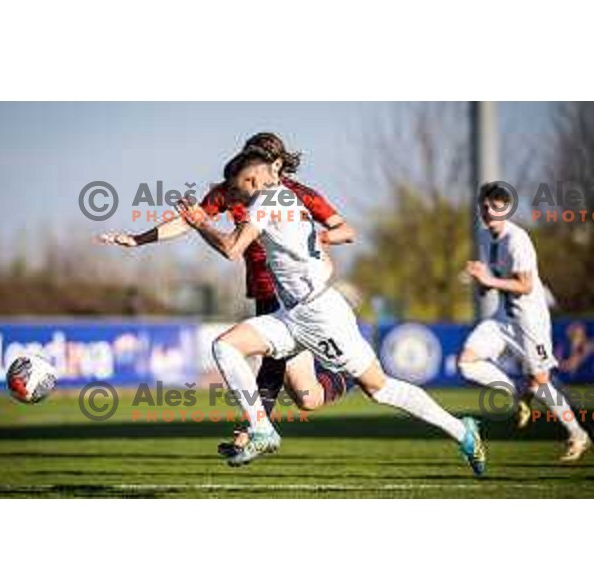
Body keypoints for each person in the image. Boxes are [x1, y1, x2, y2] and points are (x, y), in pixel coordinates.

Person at [176, 145, 487, 475]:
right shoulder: (282, 197)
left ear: (254, 178)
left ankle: (462, 431)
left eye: (241, 187)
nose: (239, 197)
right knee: (226, 346)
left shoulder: (268, 201)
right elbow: (312, 250)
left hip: (321, 315)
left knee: (378, 388)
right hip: (292, 313)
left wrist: (201, 224)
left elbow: (232, 248)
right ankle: (262, 430)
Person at [99, 133, 354, 455]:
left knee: (272, 362)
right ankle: (348, 375)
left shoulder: (299, 195)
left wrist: (318, 239)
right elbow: (190, 221)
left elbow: (346, 230)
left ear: (276, 164)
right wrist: (138, 240)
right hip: (263, 290)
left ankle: (255, 431)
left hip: (295, 292)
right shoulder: (233, 190)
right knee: (307, 397)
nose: (254, 171)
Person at [458, 182, 591, 461]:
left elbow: (526, 286)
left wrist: (488, 279)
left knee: (542, 382)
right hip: (502, 316)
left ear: (505, 209)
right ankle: (519, 392)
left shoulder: (517, 240)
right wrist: (481, 281)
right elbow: (490, 284)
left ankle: (578, 435)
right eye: (484, 206)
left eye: (495, 207)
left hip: (530, 321)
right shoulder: (484, 237)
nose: (488, 212)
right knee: (466, 362)